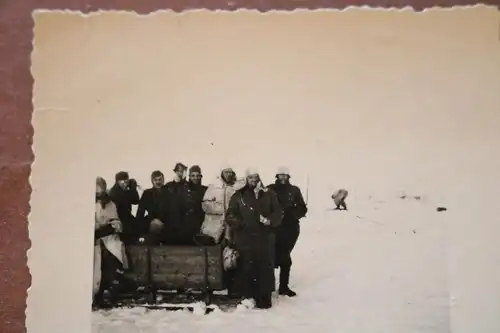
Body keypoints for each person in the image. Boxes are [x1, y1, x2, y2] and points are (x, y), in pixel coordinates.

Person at [225, 168, 283, 309]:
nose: (253, 180)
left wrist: (270, 221)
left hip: (265, 238)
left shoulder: (269, 194)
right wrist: (241, 224)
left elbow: (278, 213)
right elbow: (230, 215)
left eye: (256, 177)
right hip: (245, 238)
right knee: (247, 267)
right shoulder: (239, 196)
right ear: (246, 179)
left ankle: (264, 298)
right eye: (250, 178)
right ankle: (247, 297)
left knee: (264, 268)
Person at [267, 167, 308, 297]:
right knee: (270, 256)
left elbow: (302, 208)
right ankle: (268, 286)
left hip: (290, 228)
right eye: (280, 175)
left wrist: (293, 215)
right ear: (276, 176)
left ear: (288, 176)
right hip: (273, 228)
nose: (283, 178)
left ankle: (284, 286)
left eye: (285, 175)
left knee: (285, 257)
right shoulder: (270, 189)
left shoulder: (294, 190)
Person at [94, 177, 129, 308]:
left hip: (108, 238)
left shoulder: (110, 204)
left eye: (100, 188)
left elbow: (116, 224)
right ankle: (96, 294)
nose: (98, 192)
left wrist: (107, 229)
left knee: (111, 259)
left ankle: (108, 292)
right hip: (93, 240)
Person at [197, 165, 246, 245]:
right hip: (215, 226)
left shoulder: (237, 187)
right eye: (226, 172)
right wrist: (221, 209)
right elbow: (205, 205)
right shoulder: (214, 187)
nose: (229, 174)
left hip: (231, 225)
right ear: (222, 173)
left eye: (230, 172)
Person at [108, 171, 140, 244]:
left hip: (126, 217)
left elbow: (135, 201)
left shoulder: (124, 190)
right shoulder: (114, 192)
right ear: (118, 182)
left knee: (139, 225)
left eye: (127, 182)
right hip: (117, 218)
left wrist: (133, 188)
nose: (126, 185)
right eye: (124, 183)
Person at [136, 170, 166, 242]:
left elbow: (173, 210)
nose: (158, 182)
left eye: (160, 179)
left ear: (163, 180)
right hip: (151, 221)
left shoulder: (168, 192)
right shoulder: (147, 193)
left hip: (166, 221)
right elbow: (140, 211)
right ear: (152, 181)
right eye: (155, 180)